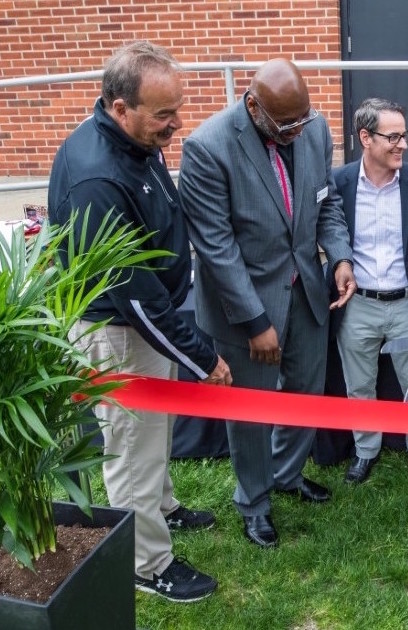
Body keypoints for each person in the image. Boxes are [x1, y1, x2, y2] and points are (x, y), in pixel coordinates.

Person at [47, 41, 231, 602]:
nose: (176, 124)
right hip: (119, 333)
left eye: (177, 108)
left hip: (143, 321)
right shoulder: (97, 181)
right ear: (119, 106)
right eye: (163, 114)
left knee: (151, 436)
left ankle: (161, 509)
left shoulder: (132, 138)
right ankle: (145, 563)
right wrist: (201, 355)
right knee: (131, 449)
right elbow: (139, 301)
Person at [179, 59, 356, 549]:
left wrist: (339, 256)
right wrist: (256, 321)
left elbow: (328, 203)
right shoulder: (207, 148)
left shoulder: (313, 128)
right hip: (246, 307)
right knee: (250, 412)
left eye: (303, 122)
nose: (297, 133)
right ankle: (254, 502)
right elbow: (215, 248)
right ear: (253, 105)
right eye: (286, 126)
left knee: (305, 391)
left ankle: (287, 473)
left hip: (306, 293)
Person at [331, 98, 408, 489]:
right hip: (357, 305)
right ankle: (365, 450)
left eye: (405, 135)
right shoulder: (338, 183)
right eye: (393, 137)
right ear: (366, 138)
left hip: (407, 304)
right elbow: (327, 232)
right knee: (359, 386)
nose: (403, 144)